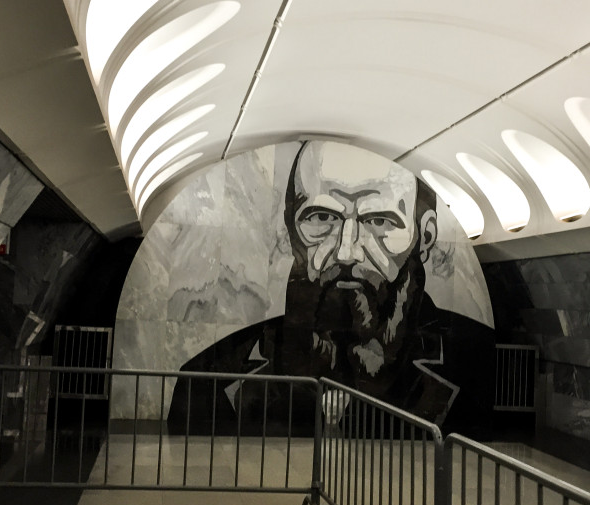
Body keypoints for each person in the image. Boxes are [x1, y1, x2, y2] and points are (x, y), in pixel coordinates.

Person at [168, 141, 494, 439]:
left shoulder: (469, 365)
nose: (346, 251)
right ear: (290, 232)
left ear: (424, 237)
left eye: (379, 221)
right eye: (321, 217)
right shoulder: (209, 379)